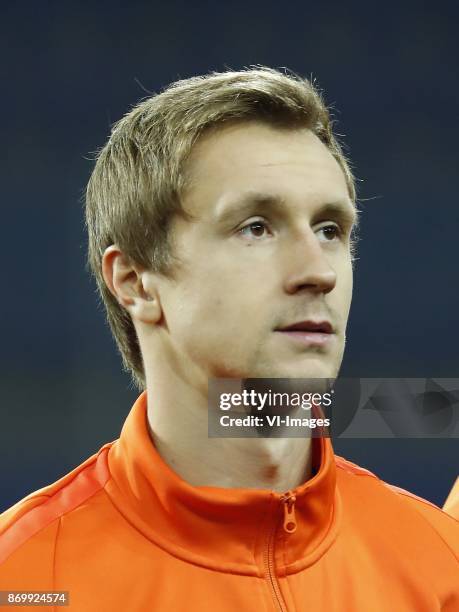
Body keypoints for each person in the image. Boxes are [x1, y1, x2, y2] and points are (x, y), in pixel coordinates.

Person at [0, 67, 457, 611]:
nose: (319, 271)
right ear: (135, 282)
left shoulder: (438, 569)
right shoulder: (24, 577)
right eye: (256, 226)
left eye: (330, 230)